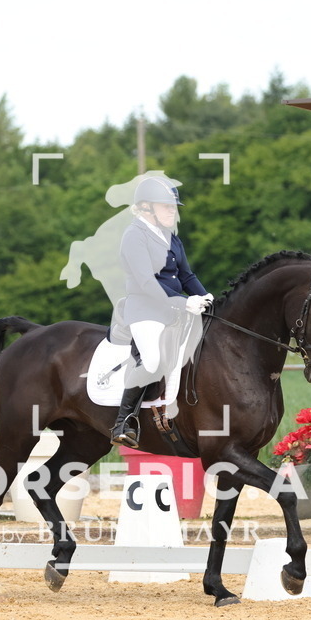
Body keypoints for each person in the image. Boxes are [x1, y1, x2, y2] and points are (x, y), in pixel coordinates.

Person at [109, 175, 212, 447]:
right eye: (167, 206)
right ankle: (123, 421)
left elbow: (187, 276)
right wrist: (183, 302)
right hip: (145, 312)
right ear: (146, 207)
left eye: (173, 207)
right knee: (152, 362)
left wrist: (206, 298)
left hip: (173, 312)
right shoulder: (134, 236)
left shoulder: (171, 238)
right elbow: (146, 281)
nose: (172, 212)